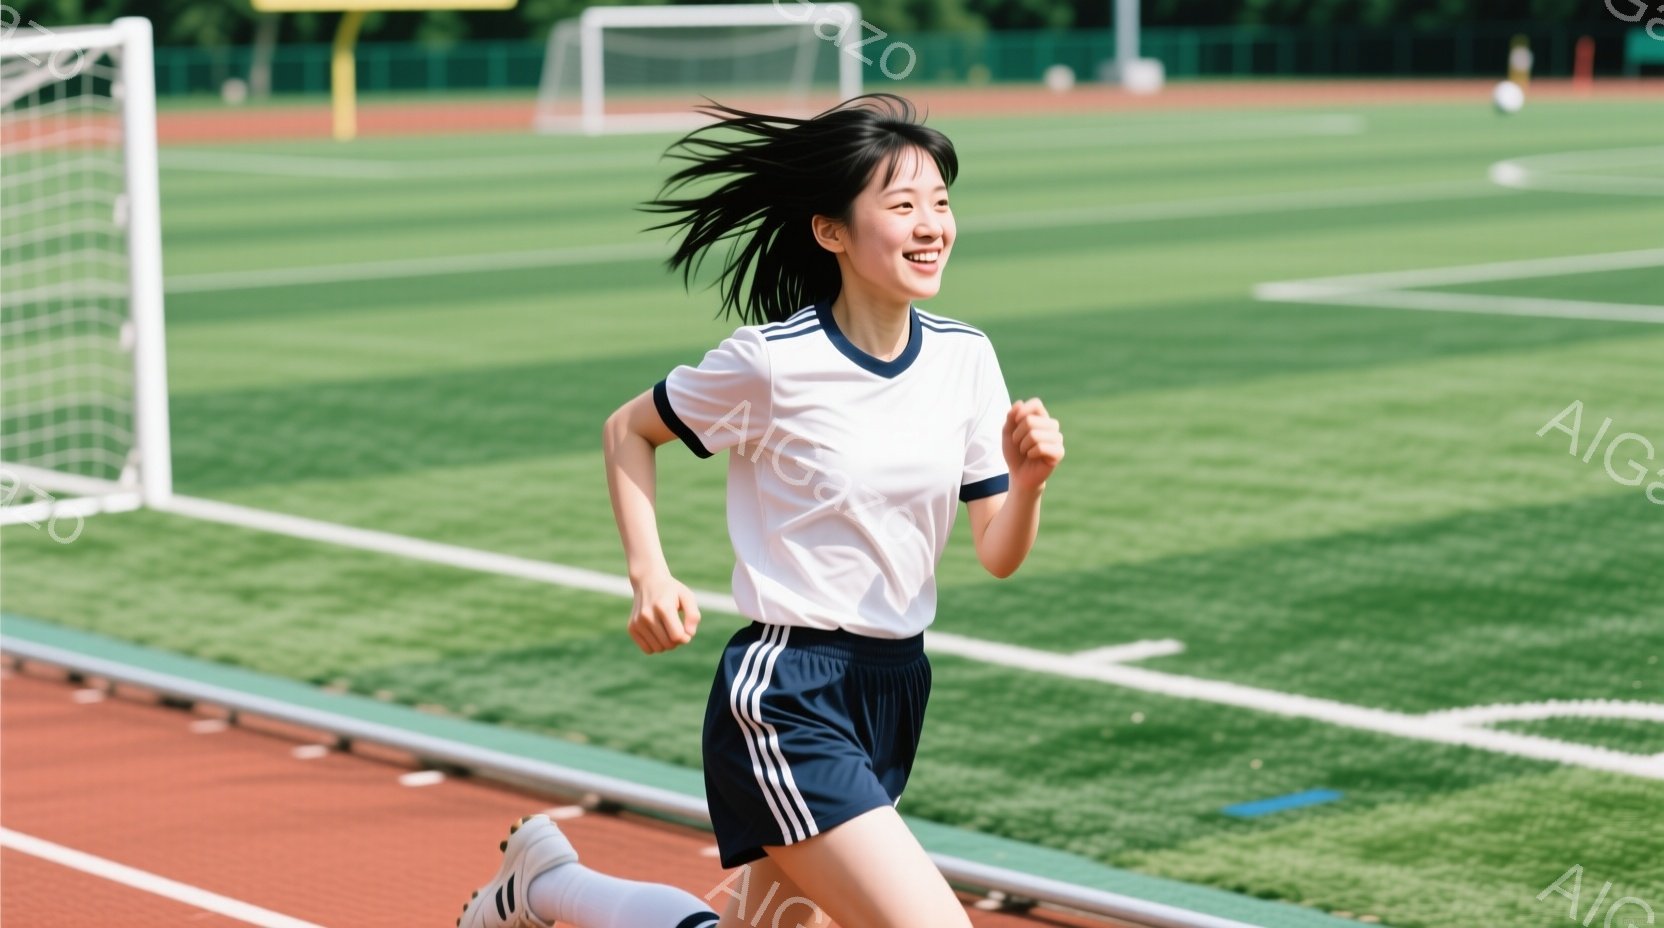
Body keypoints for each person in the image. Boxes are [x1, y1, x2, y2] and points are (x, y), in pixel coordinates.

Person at [459, 91, 1064, 928]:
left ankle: (545, 884)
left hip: (894, 688)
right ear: (831, 231)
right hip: (787, 693)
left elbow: (997, 551)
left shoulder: (967, 358)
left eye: (940, 202)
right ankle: (545, 885)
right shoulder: (774, 363)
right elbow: (628, 430)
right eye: (902, 206)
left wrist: (1028, 484)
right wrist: (650, 575)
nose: (931, 226)